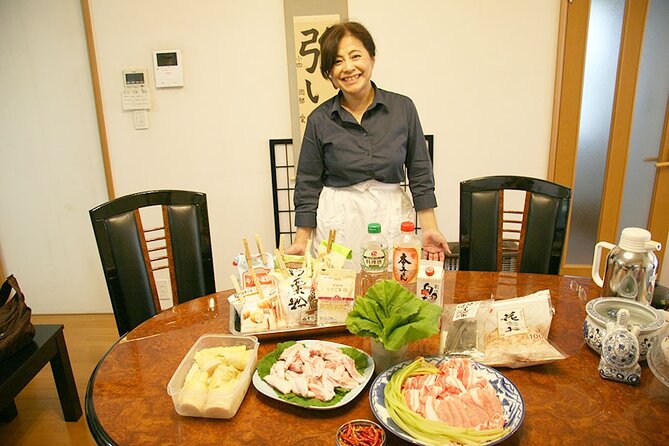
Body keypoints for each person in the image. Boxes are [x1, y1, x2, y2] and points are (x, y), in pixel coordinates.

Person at [286, 21, 449, 263]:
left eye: (355, 56)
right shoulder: (319, 120)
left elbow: (420, 171)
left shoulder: (402, 108)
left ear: (372, 57)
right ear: (329, 73)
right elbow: (307, 185)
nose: (348, 67)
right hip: (338, 218)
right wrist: (301, 241)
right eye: (338, 61)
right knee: (340, 293)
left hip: (389, 214)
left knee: (390, 290)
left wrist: (429, 228)